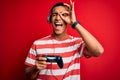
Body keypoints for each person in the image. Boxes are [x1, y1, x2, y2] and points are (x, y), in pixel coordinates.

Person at [24, 0, 104, 80]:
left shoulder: (76, 43)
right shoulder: (37, 44)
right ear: (50, 19)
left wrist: (75, 23)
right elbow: (28, 76)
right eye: (55, 14)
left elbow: (98, 51)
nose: (58, 18)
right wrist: (35, 68)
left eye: (63, 15)